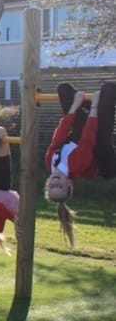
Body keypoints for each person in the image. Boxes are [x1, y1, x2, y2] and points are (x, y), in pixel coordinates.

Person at [44, 82, 116, 246]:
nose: (55, 183)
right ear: (69, 184)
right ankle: (93, 103)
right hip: (97, 132)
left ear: (47, 183)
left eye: (51, 187)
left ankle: (87, 103)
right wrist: (95, 106)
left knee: (63, 89)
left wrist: (74, 106)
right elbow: (88, 138)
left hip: (80, 128)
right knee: (109, 89)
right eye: (60, 187)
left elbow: (59, 135)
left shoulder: (50, 162)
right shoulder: (76, 166)